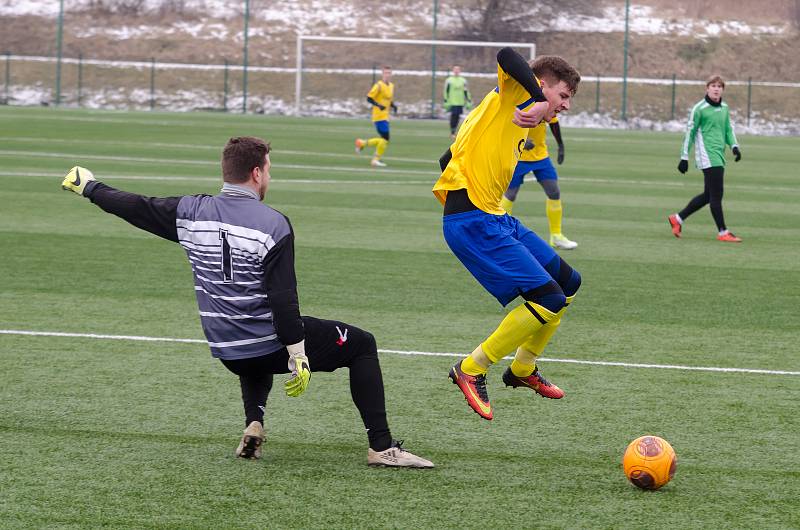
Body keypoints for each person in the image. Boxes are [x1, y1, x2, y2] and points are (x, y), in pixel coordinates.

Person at [60, 137, 433, 468]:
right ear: (256, 173)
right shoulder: (272, 224)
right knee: (362, 344)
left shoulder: (189, 212)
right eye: (269, 170)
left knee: (254, 336)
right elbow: (284, 301)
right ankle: (382, 448)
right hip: (266, 345)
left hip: (227, 349)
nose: (269, 177)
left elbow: (133, 205)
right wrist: (299, 355)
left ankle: (254, 422)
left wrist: (89, 186)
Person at [433, 49, 582, 420]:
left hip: (493, 217)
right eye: (562, 96)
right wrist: (533, 97)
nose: (565, 106)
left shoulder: (509, 115)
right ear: (542, 85)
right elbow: (506, 55)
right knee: (547, 298)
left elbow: (445, 159)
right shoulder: (515, 93)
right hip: (473, 221)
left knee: (568, 283)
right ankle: (471, 367)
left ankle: (522, 369)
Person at [668, 75, 743, 242]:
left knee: (708, 195)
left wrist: (734, 146)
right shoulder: (699, 109)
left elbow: (728, 130)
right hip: (707, 156)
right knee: (717, 195)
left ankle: (677, 219)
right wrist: (684, 157)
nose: (716, 88)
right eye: (713, 85)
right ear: (707, 88)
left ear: (723, 89)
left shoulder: (724, 107)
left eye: (719, 86)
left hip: (719, 154)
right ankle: (723, 232)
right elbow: (690, 133)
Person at [500, 116, 578, 250]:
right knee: (510, 194)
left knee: (554, 191)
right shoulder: (521, 103)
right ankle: (501, 233)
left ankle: (556, 236)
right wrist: (521, 142)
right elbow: (503, 128)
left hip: (541, 157)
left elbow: (554, 122)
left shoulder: (545, 102)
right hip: (518, 157)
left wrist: (561, 146)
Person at [355, 66, 397, 167]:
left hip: (386, 116)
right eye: (386, 73)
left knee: (384, 139)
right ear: (382, 74)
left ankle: (362, 143)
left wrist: (393, 106)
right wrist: (379, 106)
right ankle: (375, 159)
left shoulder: (391, 85)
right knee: (385, 139)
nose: (388, 75)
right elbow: (369, 98)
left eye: (389, 73)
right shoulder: (378, 85)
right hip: (378, 116)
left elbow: (388, 99)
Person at [443, 65, 472, 139]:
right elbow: (446, 91)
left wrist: (468, 100)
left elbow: (466, 91)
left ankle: (454, 131)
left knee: (457, 116)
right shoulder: (449, 80)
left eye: (458, 70)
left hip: (460, 102)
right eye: (455, 70)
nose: (456, 71)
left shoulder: (463, 80)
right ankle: (452, 132)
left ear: (460, 71)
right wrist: (446, 100)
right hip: (452, 102)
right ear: (453, 71)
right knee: (454, 116)